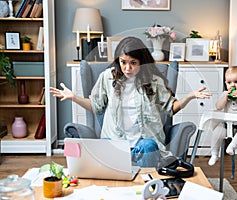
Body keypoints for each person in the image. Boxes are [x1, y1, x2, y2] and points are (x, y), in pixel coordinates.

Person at [50, 36, 211, 167]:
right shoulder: (108, 77)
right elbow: (95, 106)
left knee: (149, 146)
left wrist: (189, 96)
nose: (127, 68)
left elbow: (170, 108)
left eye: (133, 63)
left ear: (141, 61)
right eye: (123, 62)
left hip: (144, 145)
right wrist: (74, 97)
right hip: (115, 143)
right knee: (102, 148)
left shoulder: (153, 80)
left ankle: (148, 185)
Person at [208, 66, 237, 166]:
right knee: (217, 132)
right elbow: (218, 107)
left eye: (236, 82)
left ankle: (232, 146)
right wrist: (225, 98)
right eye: (229, 83)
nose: (232, 85)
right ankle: (214, 153)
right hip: (227, 124)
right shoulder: (225, 94)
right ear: (226, 83)